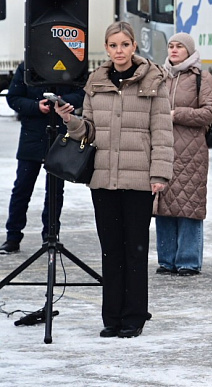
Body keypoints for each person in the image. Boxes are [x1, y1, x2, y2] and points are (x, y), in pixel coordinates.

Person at [55, 21, 173, 338]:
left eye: (124, 44)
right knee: (111, 250)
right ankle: (112, 318)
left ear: (134, 46)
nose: (118, 51)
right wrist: (71, 121)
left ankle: (134, 316)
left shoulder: (154, 81)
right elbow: (91, 131)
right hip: (104, 179)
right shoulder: (96, 82)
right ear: (106, 48)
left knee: (134, 250)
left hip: (139, 181)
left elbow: (162, 132)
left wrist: (160, 173)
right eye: (113, 45)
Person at [154, 32, 212, 276]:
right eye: (171, 46)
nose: (173, 50)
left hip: (191, 151)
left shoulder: (202, 78)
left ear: (189, 51)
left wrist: (176, 114)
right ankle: (167, 260)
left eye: (179, 46)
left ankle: (188, 261)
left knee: (189, 206)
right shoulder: (161, 78)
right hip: (164, 149)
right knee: (163, 205)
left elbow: (209, 113)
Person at [1, 63, 84, 254]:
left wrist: (62, 102)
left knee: (55, 190)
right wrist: (36, 106)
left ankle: (51, 236)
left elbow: (82, 94)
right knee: (22, 187)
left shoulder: (72, 66)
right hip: (32, 135)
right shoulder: (28, 66)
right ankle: (13, 236)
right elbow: (13, 97)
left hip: (60, 136)